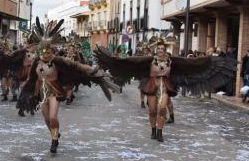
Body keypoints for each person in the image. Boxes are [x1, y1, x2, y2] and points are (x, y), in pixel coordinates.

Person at [95, 36, 236, 142]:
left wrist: (209, 60)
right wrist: (111, 59)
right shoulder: (148, 60)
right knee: (152, 110)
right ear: (156, 50)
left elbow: (193, 63)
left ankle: (160, 131)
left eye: (162, 49)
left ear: (165, 50)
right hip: (151, 85)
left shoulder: (172, 61)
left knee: (162, 109)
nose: (160, 51)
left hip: (165, 87)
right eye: (159, 49)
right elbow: (127, 62)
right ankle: (153, 129)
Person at [18, 18, 120, 153]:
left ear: (51, 51)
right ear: (40, 51)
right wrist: (26, 89)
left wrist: (91, 70)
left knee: (53, 117)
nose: (47, 55)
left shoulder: (58, 60)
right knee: (47, 119)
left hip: (54, 91)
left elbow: (76, 65)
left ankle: (54, 140)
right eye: (44, 52)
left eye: (49, 52)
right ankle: (54, 133)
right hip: (41, 93)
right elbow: (31, 78)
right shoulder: (36, 62)